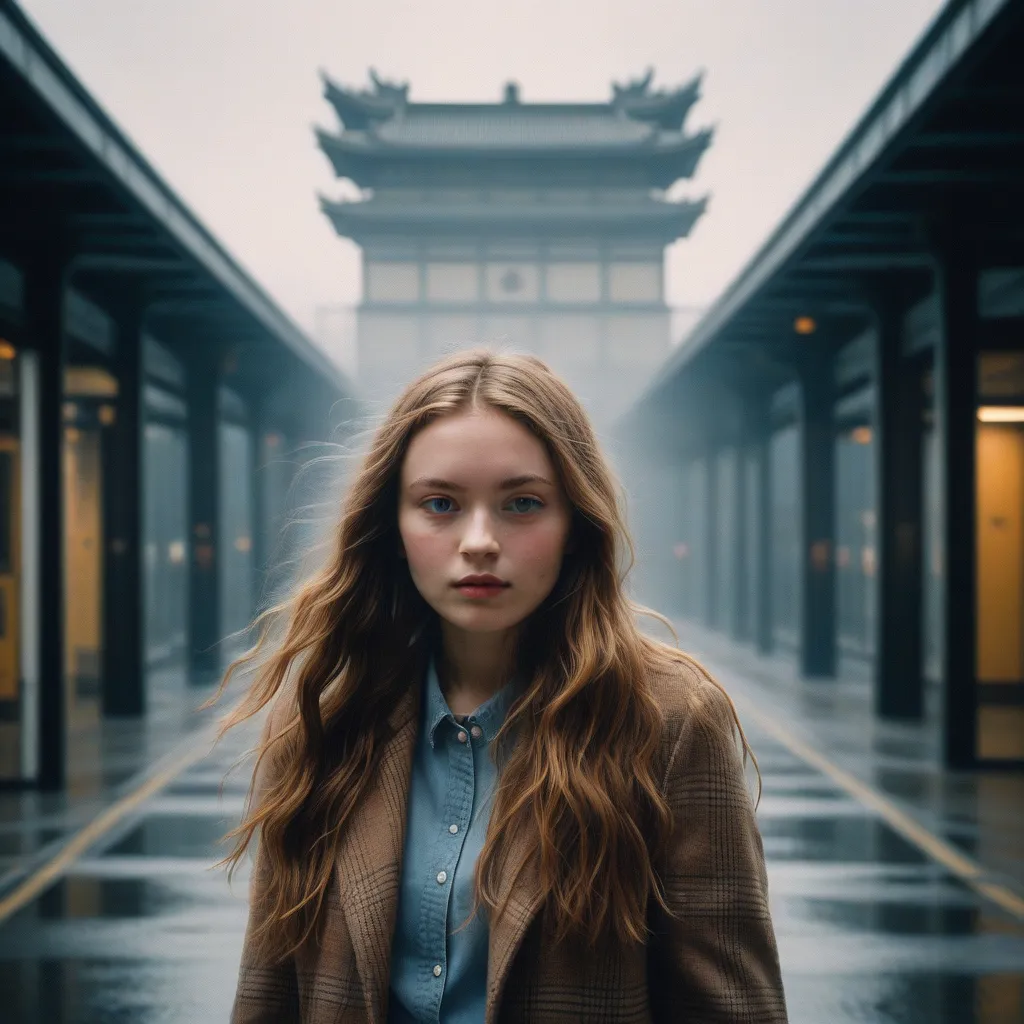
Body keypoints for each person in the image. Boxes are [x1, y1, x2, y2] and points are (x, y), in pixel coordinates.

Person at [218, 350, 788, 1024]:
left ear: (574, 522)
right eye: (440, 504)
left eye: (522, 503)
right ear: (393, 529)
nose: (480, 541)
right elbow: (268, 996)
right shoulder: (326, 717)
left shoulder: (667, 723)